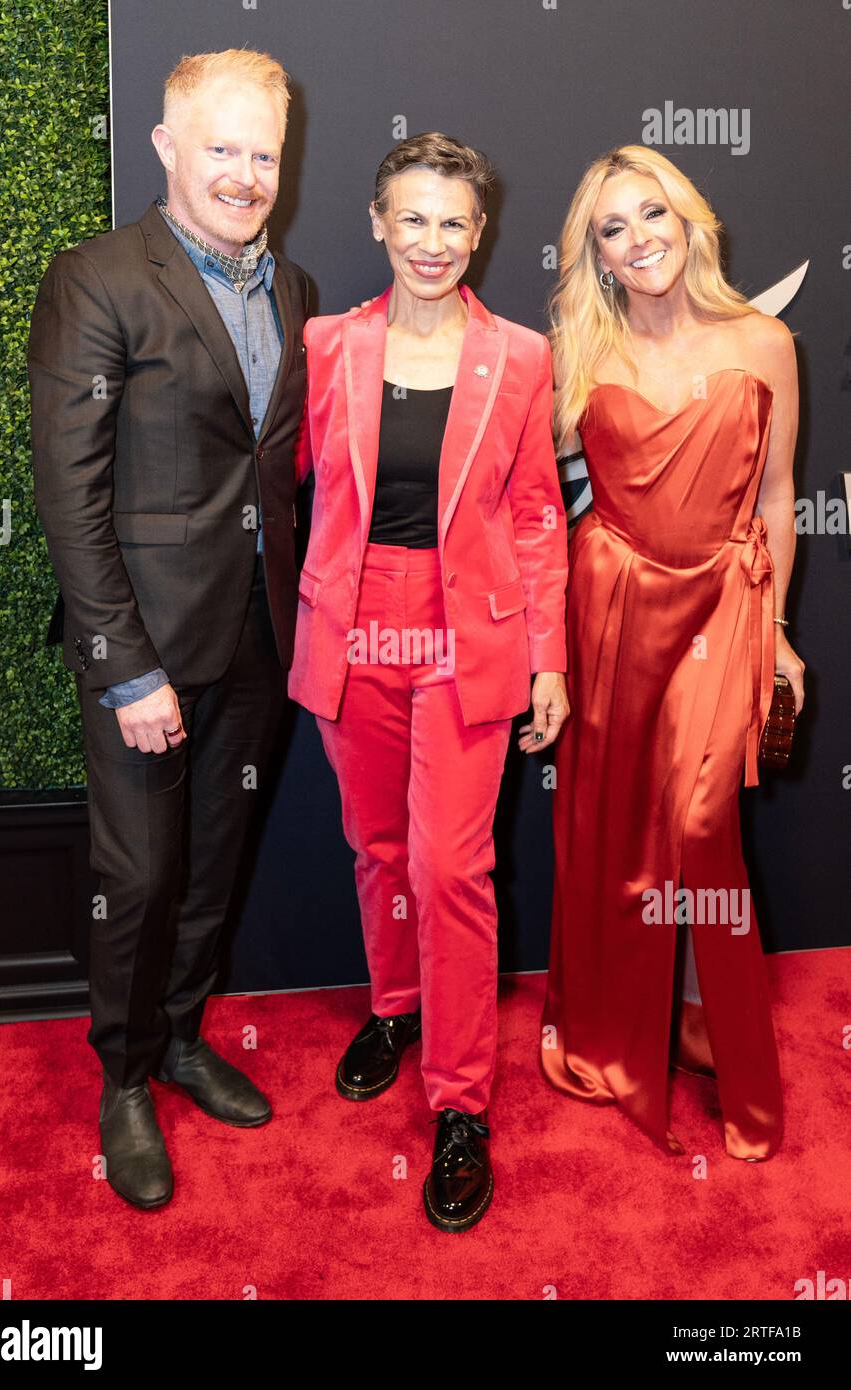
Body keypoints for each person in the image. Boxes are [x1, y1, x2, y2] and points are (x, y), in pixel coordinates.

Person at [28, 49, 311, 1210]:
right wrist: (123, 666)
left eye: (264, 152)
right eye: (223, 148)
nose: (245, 173)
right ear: (165, 147)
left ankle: (186, 1037)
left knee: (213, 862)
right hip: (143, 644)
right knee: (138, 874)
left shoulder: (288, 288)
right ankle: (127, 1077)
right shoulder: (97, 277)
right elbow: (68, 492)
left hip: (256, 631)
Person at [290, 133, 569, 1231]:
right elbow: (299, 487)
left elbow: (541, 515)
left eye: (455, 223)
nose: (434, 243)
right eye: (413, 218)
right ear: (376, 222)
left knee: (454, 866)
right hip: (356, 628)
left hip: (470, 636)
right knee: (380, 848)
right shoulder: (326, 345)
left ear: (480, 234)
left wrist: (548, 655)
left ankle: (460, 1104)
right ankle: (396, 1007)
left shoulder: (522, 355)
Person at [539, 145, 804, 1161]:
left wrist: (775, 631)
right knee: (613, 833)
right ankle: (623, 1031)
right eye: (614, 227)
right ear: (595, 253)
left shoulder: (764, 340)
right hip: (610, 605)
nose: (640, 238)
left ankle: (732, 1055)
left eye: (655, 214)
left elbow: (776, 496)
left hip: (725, 602)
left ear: (690, 221)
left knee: (700, 823)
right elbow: (528, 498)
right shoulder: (577, 347)